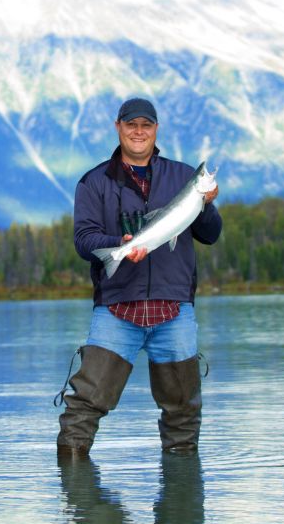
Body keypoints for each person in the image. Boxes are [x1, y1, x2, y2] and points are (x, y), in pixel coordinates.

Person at [56, 96, 221, 457]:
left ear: (156, 130)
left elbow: (210, 234)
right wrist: (120, 245)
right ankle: (73, 488)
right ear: (118, 128)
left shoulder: (183, 177)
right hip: (116, 308)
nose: (138, 132)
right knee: (85, 403)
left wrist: (205, 204)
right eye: (131, 125)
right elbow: (84, 240)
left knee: (183, 409)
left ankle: (181, 497)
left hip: (174, 308)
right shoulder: (94, 182)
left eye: (146, 125)